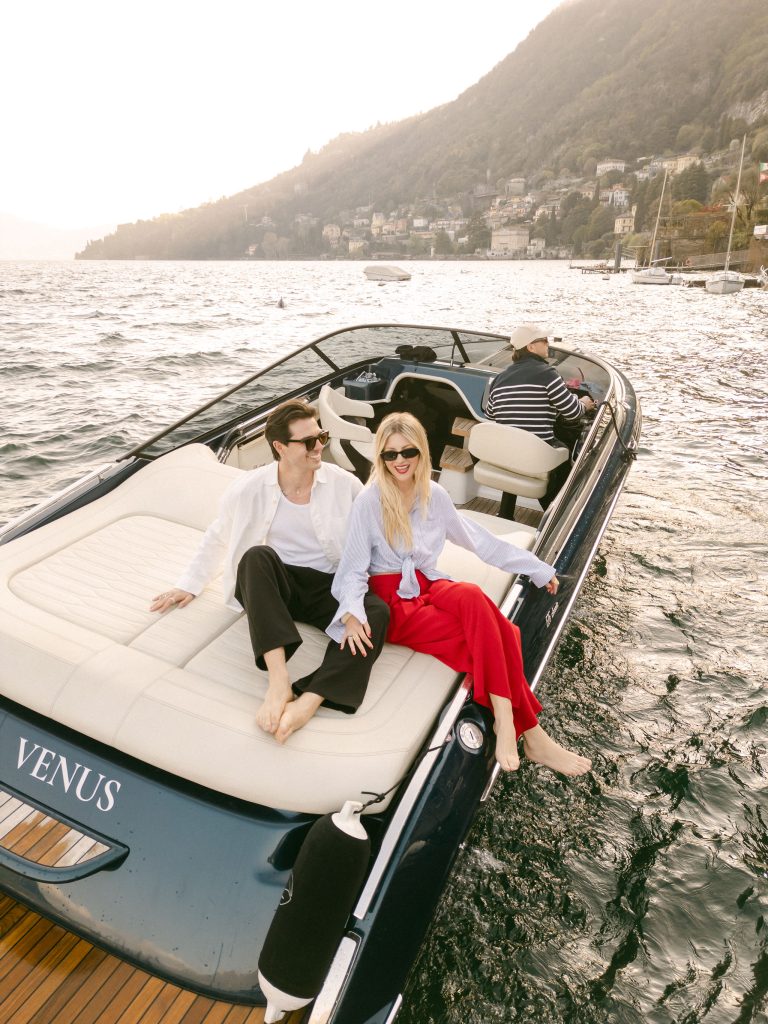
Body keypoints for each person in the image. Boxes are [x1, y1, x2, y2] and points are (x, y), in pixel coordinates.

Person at [327, 411, 592, 776]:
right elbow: (352, 570)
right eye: (390, 454)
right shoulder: (369, 502)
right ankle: (526, 729)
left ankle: (513, 724)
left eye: (409, 452)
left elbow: (479, 540)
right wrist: (352, 614)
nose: (400, 461)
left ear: (422, 452)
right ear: (381, 458)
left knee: (469, 595)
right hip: (393, 600)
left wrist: (535, 568)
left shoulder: (434, 494)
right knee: (505, 635)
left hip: (429, 582)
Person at [150, 400, 389, 743]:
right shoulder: (248, 487)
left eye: (320, 435)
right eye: (308, 442)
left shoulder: (344, 485)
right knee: (255, 557)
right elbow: (219, 534)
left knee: (376, 612)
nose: (319, 446)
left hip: (330, 586)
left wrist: (354, 604)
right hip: (278, 586)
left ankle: (309, 699)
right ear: (279, 447)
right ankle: (278, 682)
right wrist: (189, 584)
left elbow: (367, 544)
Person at [486, 323, 595, 513]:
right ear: (530, 347)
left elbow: (490, 414)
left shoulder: (499, 379)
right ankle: (557, 512)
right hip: (536, 455)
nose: (548, 344)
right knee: (565, 451)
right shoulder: (548, 374)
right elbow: (572, 412)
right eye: (544, 340)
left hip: (507, 454)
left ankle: (505, 513)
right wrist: (584, 403)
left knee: (516, 441)